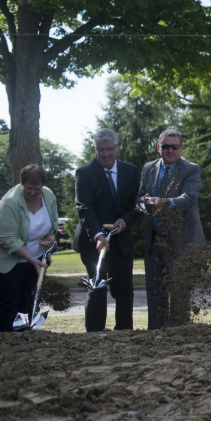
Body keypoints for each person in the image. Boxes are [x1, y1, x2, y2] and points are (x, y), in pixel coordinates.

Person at [73, 129, 141, 332]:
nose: (105, 154)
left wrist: (124, 221)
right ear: (95, 149)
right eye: (101, 150)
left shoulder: (130, 171)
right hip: (93, 242)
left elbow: (137, 204)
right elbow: (85, 208)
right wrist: (98, 235)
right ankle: (95, 336)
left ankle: (125, 333)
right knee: (97, 288)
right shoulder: (84, 173)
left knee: (124, 290)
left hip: (122, 242)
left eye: (110, 149)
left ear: (117, 148)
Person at [137, 129, 206, 329]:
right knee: (154, 289)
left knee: (180, 291)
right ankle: (155, 334)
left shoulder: (191, 169)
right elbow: (140, 195)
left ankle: (179, 335)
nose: (170, 150)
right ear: (159, 148)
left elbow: (190, 198)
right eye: (165, 146)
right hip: (155, 239)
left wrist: (166, 202)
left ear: (180, 148)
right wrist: (145, 200)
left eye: (174, 147)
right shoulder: (149, 168)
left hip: (182, 241)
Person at [0, 165, 59, 332]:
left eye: (36, 189)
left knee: (30, 301)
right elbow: (6, 238)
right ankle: (4, 340)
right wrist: (31, 259)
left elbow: (51, 226)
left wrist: (49, 239)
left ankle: (26, 340)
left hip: (37, 258)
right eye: (28, 188)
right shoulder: (10, 203)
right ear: (21, 183)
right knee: (9, 303)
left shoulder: (48, 196)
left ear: (42, 186)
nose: (32, 192)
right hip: (10, 262)